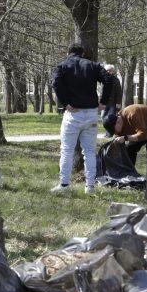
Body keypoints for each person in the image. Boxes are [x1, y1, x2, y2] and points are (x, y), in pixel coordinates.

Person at [50, 43, 115, 193]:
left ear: (68, 52)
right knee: (90, 152)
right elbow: (109, 79)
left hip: (73, 113)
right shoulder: (92, 65)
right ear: (83, 52)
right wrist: (103, 102)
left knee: (66, 150)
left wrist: (65, 103)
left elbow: (56, 84)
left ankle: (64, 185)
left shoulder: (62, 66)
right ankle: (90, 186)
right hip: (91, 112)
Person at [101, 63, 123, 135]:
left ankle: (109, 133)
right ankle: (108, 131)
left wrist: (118, 103)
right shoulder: (103, 79)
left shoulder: (116, 80)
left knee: (110, 119)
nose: (108, 72)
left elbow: (119, 92)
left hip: (112, 103)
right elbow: (101, 91)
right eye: (107, 70)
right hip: (104, 103)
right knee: (103, 117)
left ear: (113, 71)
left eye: (110, 70)